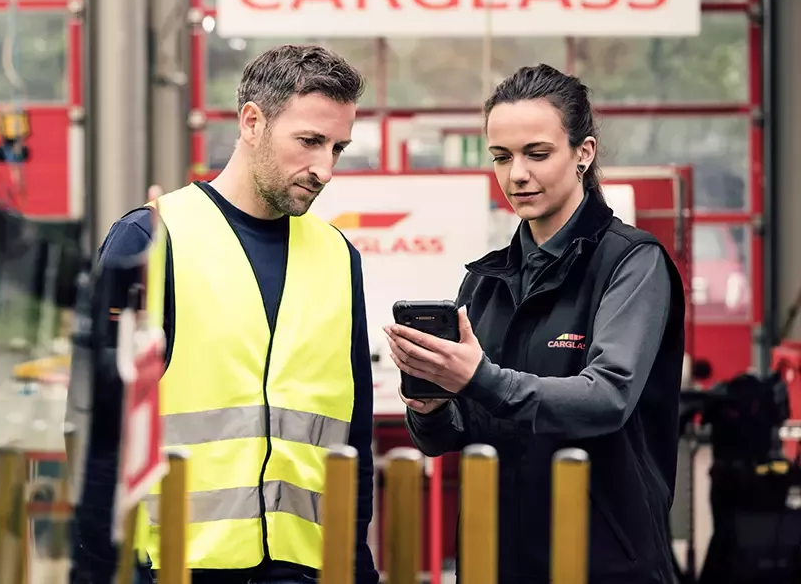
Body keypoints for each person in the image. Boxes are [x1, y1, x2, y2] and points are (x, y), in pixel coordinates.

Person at [69, 45, 379, 584]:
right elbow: (99, 434)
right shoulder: (150, 238)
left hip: (305, 568)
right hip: (175, 566)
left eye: (337, 148)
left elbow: (355, 438)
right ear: (252, 122)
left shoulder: (337, 256)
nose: (325, 168)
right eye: (309, 141)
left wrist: (355, 569)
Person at [387, 64, 686, 584]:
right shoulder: (485, 282)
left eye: (537, 154)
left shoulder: (632, 263)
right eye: (501, 157)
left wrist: (478, 377)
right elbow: (456, 434)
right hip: (496, 562)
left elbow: (605, 398)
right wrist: (431, 406)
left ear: (583, 154)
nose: (516, 174)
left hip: (607, 565)